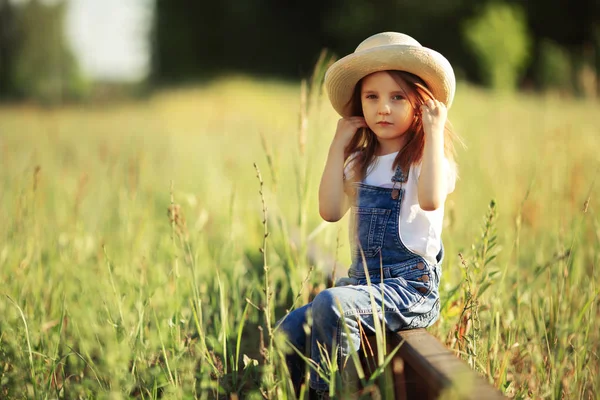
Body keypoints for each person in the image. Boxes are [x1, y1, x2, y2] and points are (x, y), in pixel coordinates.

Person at [277, 31, 461, 398]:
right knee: (289, 329)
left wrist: (435, 130)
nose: (383, 108)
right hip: (363, 286)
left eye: (397, 97)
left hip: (409, 289)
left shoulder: (428, 160)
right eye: (372, 97)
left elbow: (429, 200)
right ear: (359, 105)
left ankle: (332, 394)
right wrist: (337, 146)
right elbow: (329, 211)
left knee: (330, 303)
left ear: (419, 103)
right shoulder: (360, 162)